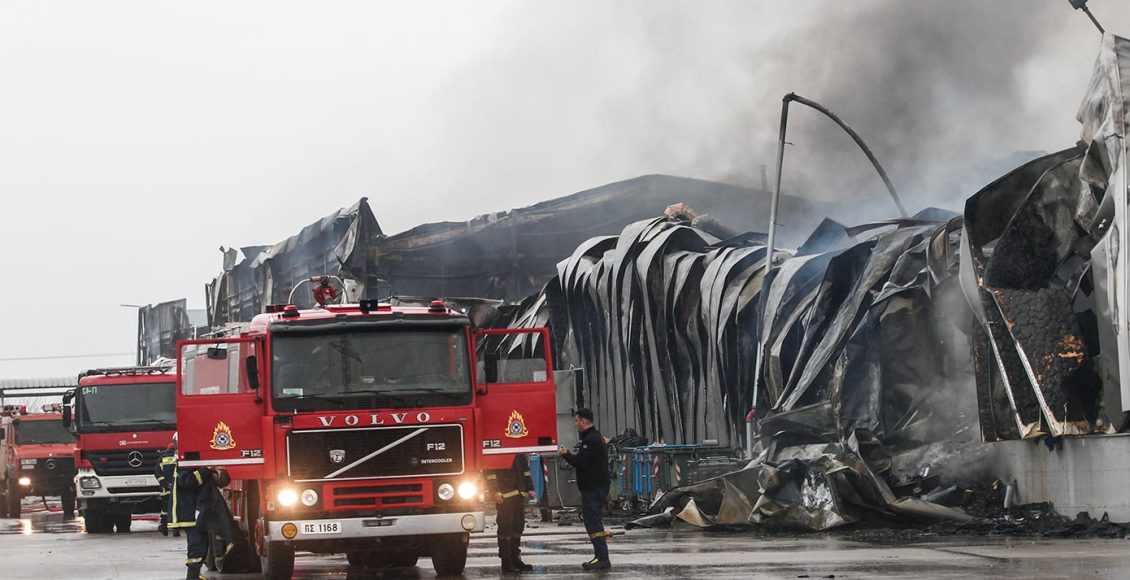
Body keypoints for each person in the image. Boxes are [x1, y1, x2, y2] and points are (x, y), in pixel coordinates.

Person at [558, 408, 611, 571]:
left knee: (593, 522)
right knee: (593, 521)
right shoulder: (595, 437)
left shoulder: (590, 440)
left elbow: (581, 462)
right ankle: (600, 556)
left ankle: (602, 557)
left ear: (583, 421)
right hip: (597, 486)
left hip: (593, 488)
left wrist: (566, 454)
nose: (575, 424)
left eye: (576, 421)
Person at [170, 461, 235, 580]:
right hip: (190, 512)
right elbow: (186, 481)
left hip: (196, 510)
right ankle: (192, 576)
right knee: (197, 545)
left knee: (203, 543)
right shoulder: (186, 463)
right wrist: (206, 469)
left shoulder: (191, 462)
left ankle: (195, 574)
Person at [485, 454, 537, 573]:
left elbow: (526, 472)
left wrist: (530, 487)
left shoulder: (519, 454)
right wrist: (494, 491)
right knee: (505, 527)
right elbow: (490, 473)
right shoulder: (495, 452)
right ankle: (506, 561)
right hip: (504, 496)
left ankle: (515, 558)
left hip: (519, 494)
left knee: (518, 526)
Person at [154, 441, 179, 537]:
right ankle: (176, 530)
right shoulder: (177, 458)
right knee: (176, 509)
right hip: (176, 489)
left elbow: (157, 473)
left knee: (165, 510)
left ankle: (164, 528)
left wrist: (165, 484)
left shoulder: (162, 458)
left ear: (167, 449)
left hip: (165, 490)